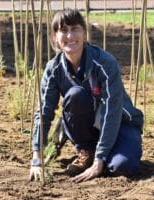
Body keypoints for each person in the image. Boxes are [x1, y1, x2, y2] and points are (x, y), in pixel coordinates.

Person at [29, 8, 143, 183]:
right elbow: (44, 111)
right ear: (54, 37)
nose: (69, 36)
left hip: (119, 122)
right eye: (63, 30)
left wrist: (100, 161)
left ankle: (100, 154)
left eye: (75, 29)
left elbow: (111, 113)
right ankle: (86, 149)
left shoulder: (105, 63)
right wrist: (37, 157)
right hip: (84, 122)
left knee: (123, 167)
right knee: (76, 94)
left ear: (84, 32)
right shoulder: (54, 68)